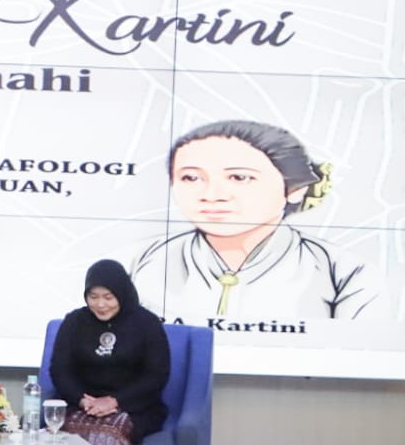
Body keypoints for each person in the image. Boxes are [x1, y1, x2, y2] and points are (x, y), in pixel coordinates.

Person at [132, 119, 372, 320]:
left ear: (295, 189)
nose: (212, 195)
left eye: (239, 177)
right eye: (191, 178)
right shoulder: (136, 262)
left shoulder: (344, 272)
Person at [47, 259, 171, 445]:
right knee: (60, 434)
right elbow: (60, 370)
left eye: (108, 297)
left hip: (134, 407)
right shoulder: (74, 321)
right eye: (93, 297)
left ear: (122, 294)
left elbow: (156, 375)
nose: (100, 304)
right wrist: (83, 400)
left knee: (110, 438)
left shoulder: (146, 323)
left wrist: (115, 401)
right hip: (82, 404)